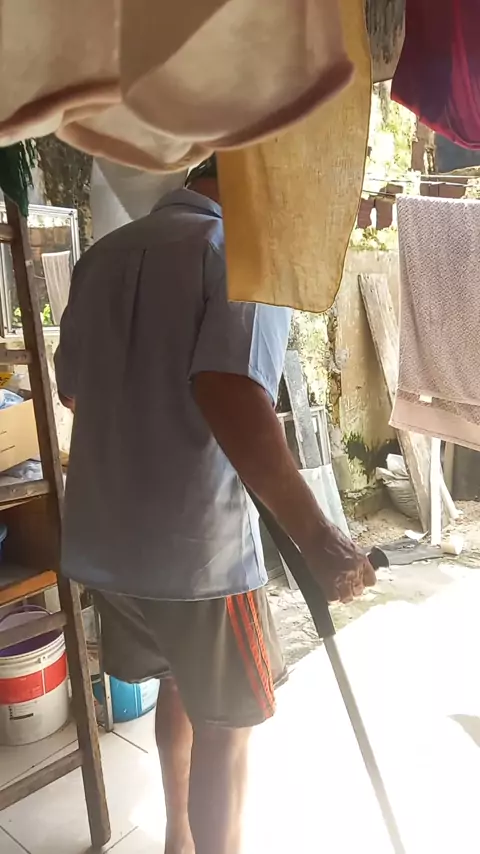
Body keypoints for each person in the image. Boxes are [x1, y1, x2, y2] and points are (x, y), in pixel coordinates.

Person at [55, 156, 375, 854]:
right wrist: (320, 540)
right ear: (259, 184)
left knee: (180, 686)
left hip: (106, 540)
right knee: (227, 728)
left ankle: (179, 840)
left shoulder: (103, 257)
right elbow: (231, 391)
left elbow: (72, 389)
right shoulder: (241, 253)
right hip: (198, 554)